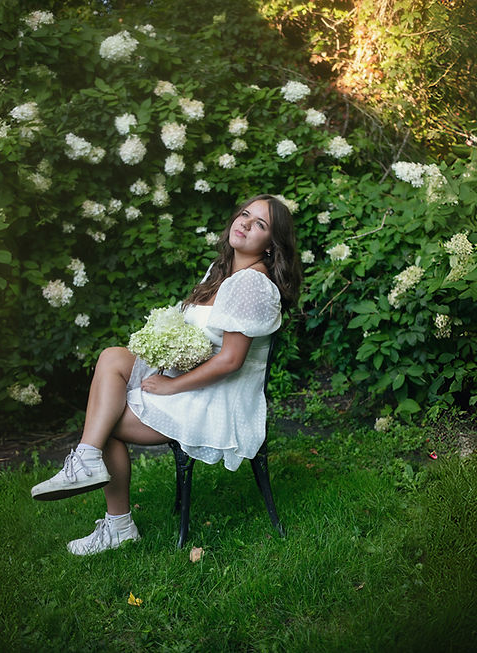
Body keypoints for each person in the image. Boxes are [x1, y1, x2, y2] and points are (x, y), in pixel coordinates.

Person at [31, 194, 302, 555]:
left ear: (271, 246)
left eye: (260, 225)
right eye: (245, 215)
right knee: (111, 358)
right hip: (190, 374)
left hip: (216, 397)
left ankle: (117, 523)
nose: (246, 224)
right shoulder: (220, 271)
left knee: (105, 422)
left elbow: (230, 362)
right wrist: (161, 349)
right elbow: (193, 331)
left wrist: (172, 385)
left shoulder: (251, 285)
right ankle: (87, 460)